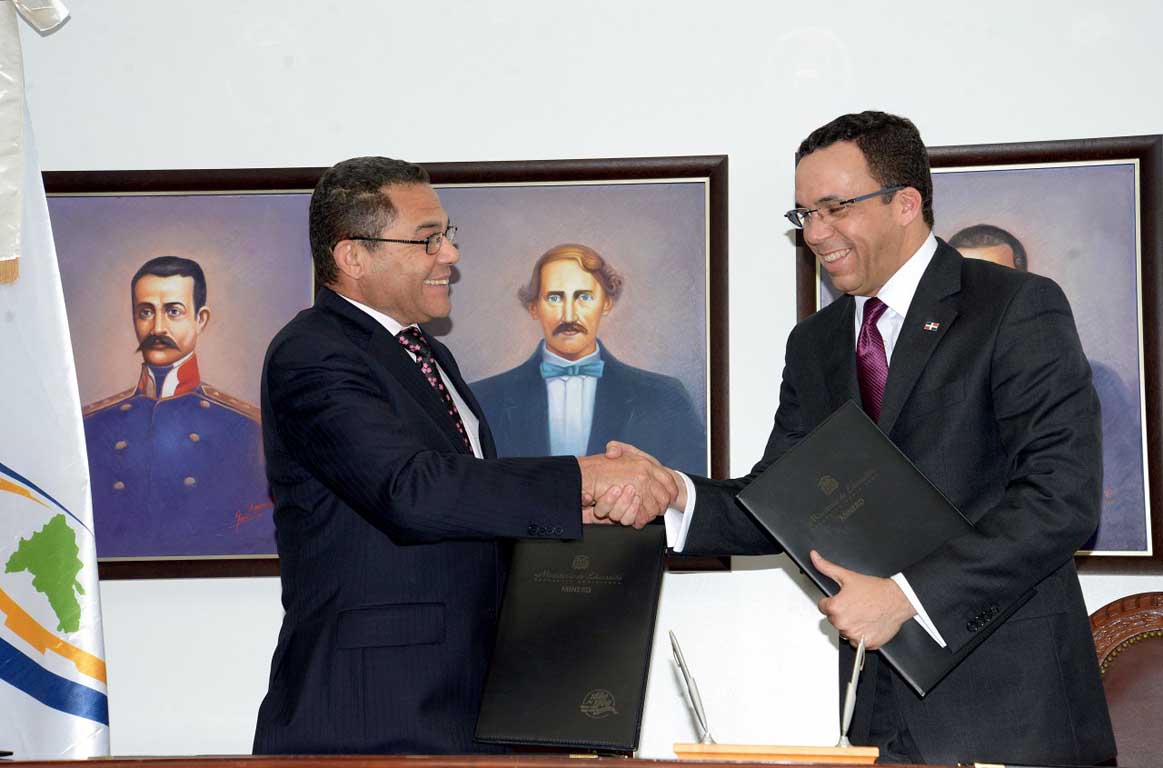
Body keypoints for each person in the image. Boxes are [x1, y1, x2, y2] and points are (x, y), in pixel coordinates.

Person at [615, 112, 1114, 764]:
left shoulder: (1014, 307)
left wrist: (907, 598)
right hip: (877, 707)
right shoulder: (816, 344)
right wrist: (672, 495)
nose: (816, 234)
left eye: (833, 208)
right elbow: (783, 500)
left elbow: (1061, 497)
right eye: (803, 216)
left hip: (1012, 709)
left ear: (905, 202)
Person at [252, 156, 674, 755]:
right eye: (428, 239)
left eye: (448, 236)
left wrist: (587, 512)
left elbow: (471, 504)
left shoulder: (425, 355)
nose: (449, 254)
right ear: (353, 257)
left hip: (465, 708)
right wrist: (583, 477)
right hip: (373, 718)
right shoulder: (313, 352)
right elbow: (411, 492)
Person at [948, 223, 1146, 551]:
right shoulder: (918, 384)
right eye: (965, 284)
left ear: (1022, 285)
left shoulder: (1096, 383)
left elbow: (1118, 501)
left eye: (995, 282)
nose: (979, 298)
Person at [82, 256, 272, 558]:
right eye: (146, 312)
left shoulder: (248, 428)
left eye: (173, 311)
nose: (157, 327)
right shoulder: (90, 427)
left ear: (201, 319)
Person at [472, 243, 706, 474]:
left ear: (606, 303)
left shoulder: (665, 398)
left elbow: (693, 491)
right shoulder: (484, 401)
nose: (569, 315)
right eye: (554, 298)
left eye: (584, 297)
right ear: (533, 307)